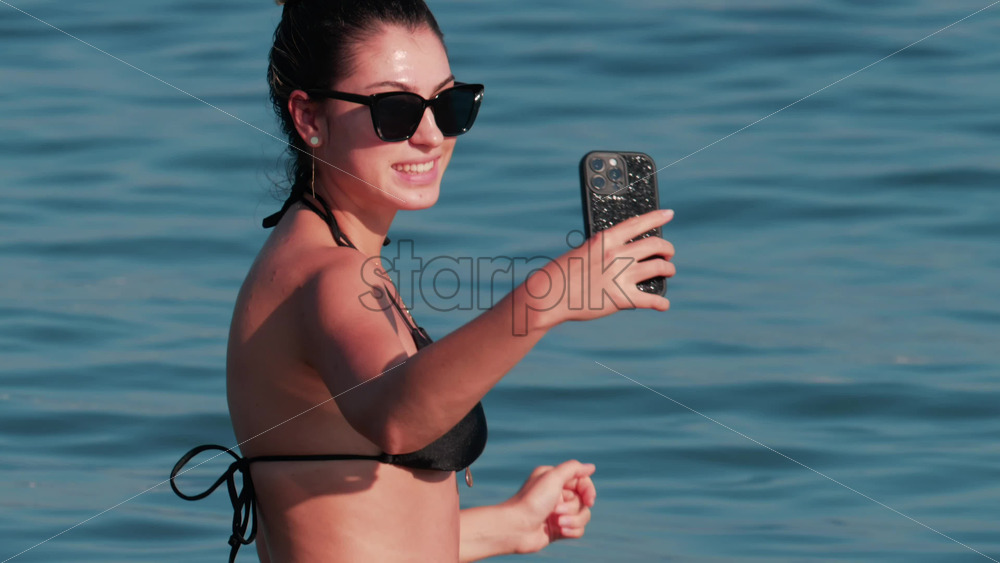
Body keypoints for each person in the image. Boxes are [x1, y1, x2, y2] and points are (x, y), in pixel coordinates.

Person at [170, 1, 676, 561]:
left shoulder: (331, 255)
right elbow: (397, 419)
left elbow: (352, 530)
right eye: (396, 110)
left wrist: (512, 527)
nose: (433, 135)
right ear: (309, 118)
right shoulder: (325, 274)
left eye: (450, 104)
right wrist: (545, 299)